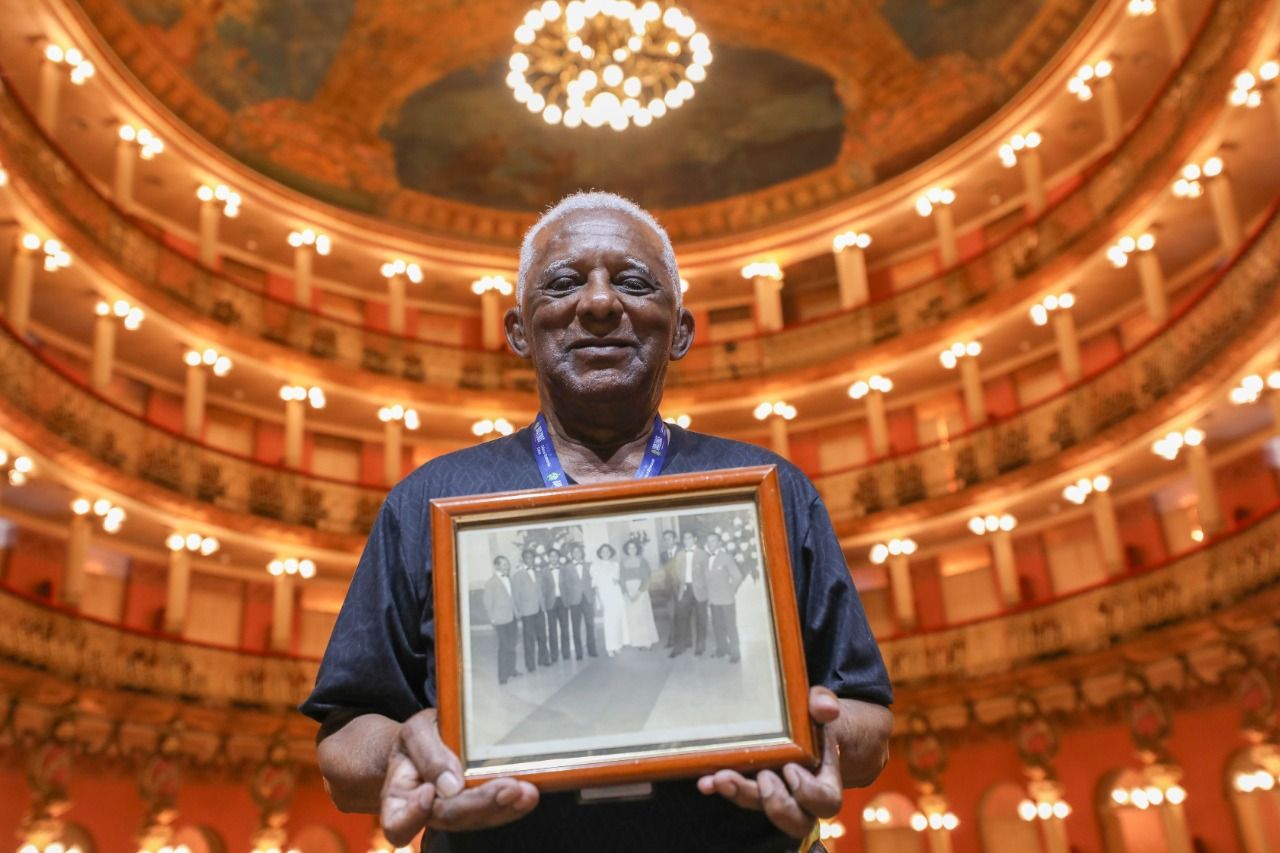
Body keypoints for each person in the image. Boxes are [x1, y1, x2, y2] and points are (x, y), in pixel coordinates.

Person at [302, 191, 894, 852]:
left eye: (635, 283)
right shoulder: (430, 498)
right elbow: (343, 752)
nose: (600, 303)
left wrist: (820, 739)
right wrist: (406, 749)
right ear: (519, 330)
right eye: (562, 283)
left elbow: (868, 722)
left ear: (681, 330)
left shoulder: (772, 492)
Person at [667, 529, 709, 658]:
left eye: (689, 538)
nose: (686, 541)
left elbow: (707, 574)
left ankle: (700, 647)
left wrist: (706, 590)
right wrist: (680, 584)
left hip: (699, 590)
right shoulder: (679, 554)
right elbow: (675, 572)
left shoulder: (703, 554)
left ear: (695, 539)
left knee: (701, 619)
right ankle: (679, 647)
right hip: (684, 590)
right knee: (681, 618)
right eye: (684, 539)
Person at [704, 533, 745, 663]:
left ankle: (735, 653)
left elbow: (737, 576)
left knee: (730, 627)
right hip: (713, 600)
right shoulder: (706, 559)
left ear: (719, 543)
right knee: (717, 626)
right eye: (709, 541)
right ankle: (722, 649)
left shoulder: (726, 557)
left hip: (726, 600)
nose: (711, 544)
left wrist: (730, 592)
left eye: (714, 541)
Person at [482, 556, 519, 684]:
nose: (506, 567)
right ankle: (502, 677)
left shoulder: (509, 579)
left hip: (512, 617)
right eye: (503, 564)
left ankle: (511, 670)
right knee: (503, 647)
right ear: (496, 566)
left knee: (512, 645)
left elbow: (511, 598)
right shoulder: (491, 583)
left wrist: (516, 613)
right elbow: (487, 603)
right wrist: (493, 620)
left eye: (507, 564)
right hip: (500, 620)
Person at [511, 549, 548, 672]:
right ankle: (530, 664)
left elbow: (541, 591)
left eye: (531, 557)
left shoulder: (538, 573)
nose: (530, 560)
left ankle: (543, 659)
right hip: (526, 612)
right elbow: (515, 596)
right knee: (529, 639)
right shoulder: (517, 576)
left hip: (539, 609)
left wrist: (543, 607)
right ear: (523, 559)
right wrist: (518, 612)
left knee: (542, 636)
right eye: (527, 557)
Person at [620, 538, 660, 649]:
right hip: (628, 593)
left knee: (643, 617)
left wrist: (638, 594)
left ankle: (647, 642)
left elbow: (646, 578)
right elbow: (621, 580)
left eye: (633, 547)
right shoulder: (623, 563)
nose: (631, 550)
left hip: (641, 591)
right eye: (629, 548)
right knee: (633, 618)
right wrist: (627, 594)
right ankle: (638, 642)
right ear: (626, 550)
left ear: (637, 549)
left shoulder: (643, 561)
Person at [592, 542, 628, 656]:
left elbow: (618, 580)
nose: (605, 553)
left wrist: (618, 583)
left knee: (617, 620)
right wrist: (600, 601)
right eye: (603, 551)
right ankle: (610, 648)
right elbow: (596, 586)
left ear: (611, 553)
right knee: (608, 623)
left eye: (607, 551)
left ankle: (618, 645)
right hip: (605, 596)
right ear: (600, 553)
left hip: (616, 594)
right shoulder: (595, 566)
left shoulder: (615, 565)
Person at [562, 542, 596, 659]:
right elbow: (565, 585)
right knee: (576, 627)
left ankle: (592, 650)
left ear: (582, 553)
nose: (577, 554)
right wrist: (567, 601)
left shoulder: (589, 565)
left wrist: (592, 596)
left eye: (579, 551)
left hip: (587, 599)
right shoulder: (567, 568)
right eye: (574, 552)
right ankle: (579, 652)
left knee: (590, 625)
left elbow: (594, 582)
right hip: (574, 601)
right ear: (571, 554)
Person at [540, 547, 570, 663]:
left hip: (563, 601)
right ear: (548, 558)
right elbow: (543, 589)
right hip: (551, 603)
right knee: (552, 630)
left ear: (558, 557)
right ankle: (554, 655)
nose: (553, 558)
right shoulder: (544, 571)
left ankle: (566, 653)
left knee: (565, 628)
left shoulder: (564, 569)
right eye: (551, 556)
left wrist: (568, 600)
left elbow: (568, 586)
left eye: (555, 556)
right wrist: (544, 604)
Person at [659, 529, 680, 648]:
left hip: (681, 587)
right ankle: (672, 639)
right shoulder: (663, 554)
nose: (668, 541)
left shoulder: (682, 552)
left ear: (675, 539)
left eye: (670, 538)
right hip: (669, 588)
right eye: (665, 539)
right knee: (671, 615)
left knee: (682, 614)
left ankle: (683, 639)